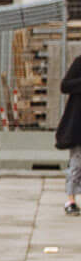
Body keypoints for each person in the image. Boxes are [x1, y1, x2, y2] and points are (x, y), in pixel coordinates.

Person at [57, 45, 81, 215]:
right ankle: (71, 199)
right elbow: (65, 85)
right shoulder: (79, 63)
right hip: (78, 123)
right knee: (77, 163)